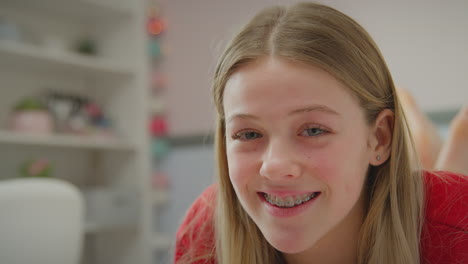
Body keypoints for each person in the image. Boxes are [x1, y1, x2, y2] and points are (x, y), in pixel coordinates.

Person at [174, 3, 468, 264]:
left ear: (380, 138)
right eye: (249, 134)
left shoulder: (457, 223)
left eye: (313, 130)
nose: (275, 166)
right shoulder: (205, 232)